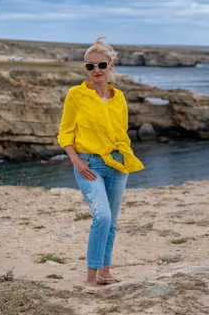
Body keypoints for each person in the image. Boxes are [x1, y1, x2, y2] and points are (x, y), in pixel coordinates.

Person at [57, 37, 144, 293]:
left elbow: (122, 132)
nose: (96, 70)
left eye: (101, 65)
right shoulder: (76, 95)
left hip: (117, 164)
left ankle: (106, 272)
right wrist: (77, 161)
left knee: (112, 221)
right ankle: (91, 278)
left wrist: (124, 156)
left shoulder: (119, 98)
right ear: (85, 68)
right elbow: (65, 133)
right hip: (88, 164)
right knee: (102, 217)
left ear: (111, 66)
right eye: (90, 66)